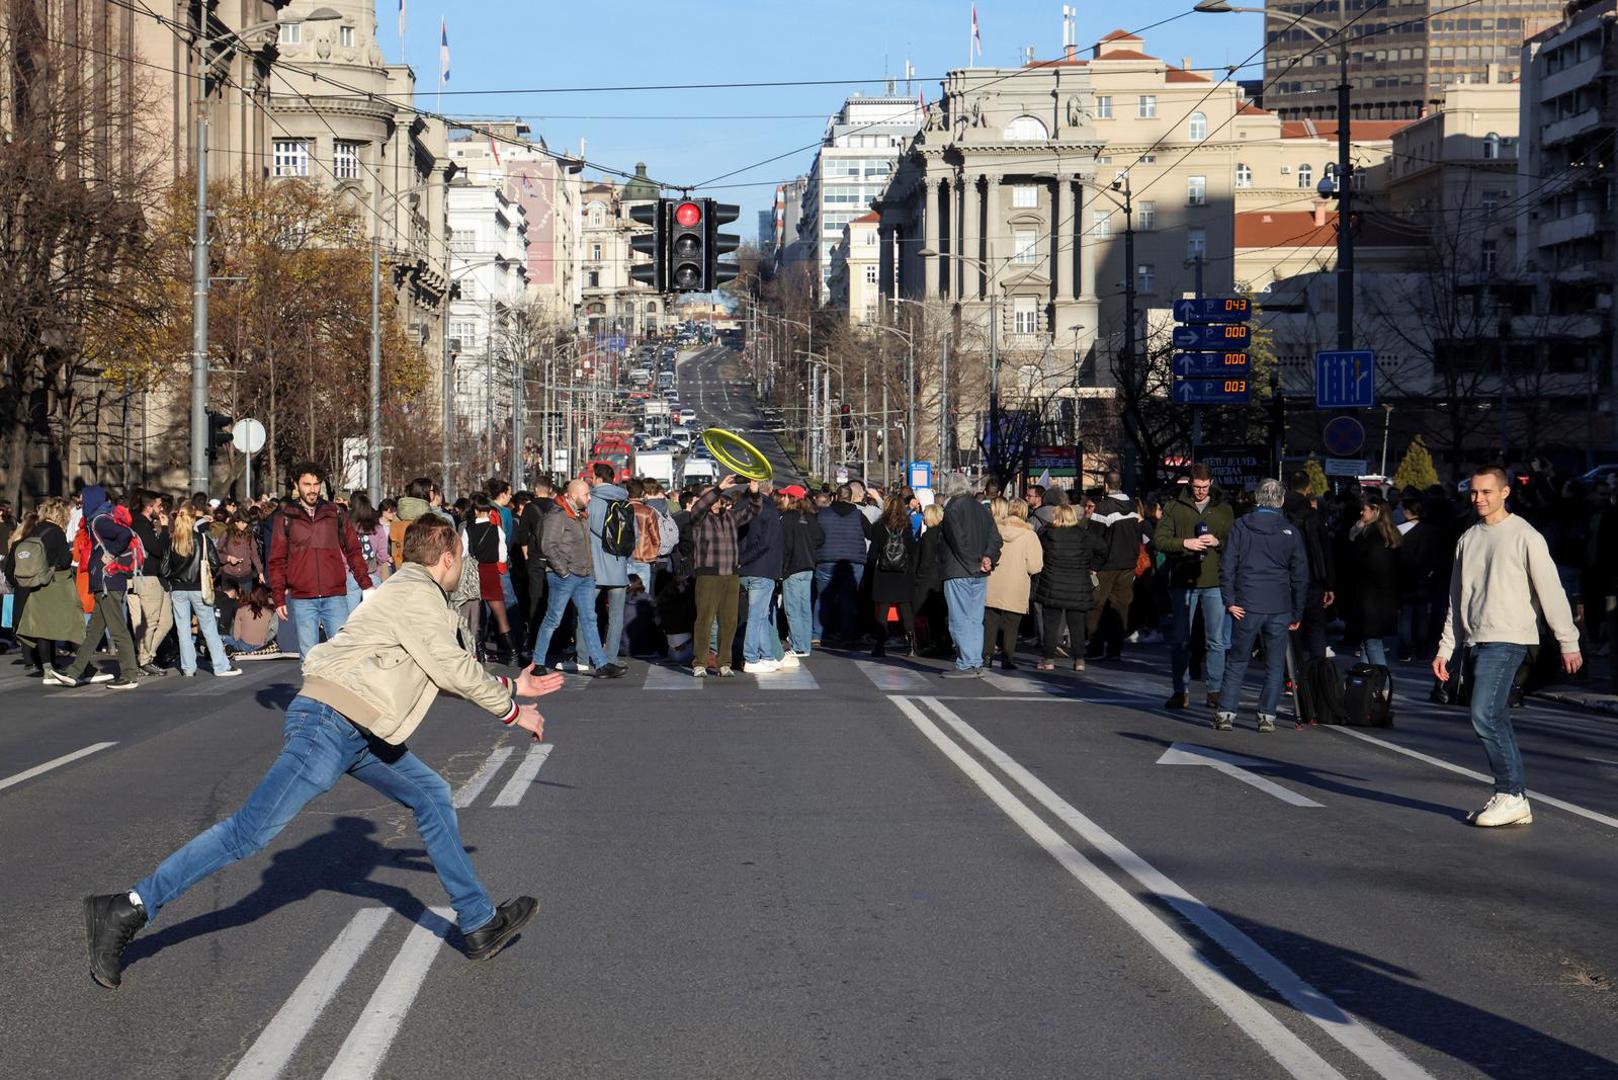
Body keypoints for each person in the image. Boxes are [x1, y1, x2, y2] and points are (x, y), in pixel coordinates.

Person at [83, 515, 565, 990]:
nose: (463, 569)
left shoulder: (411, 592)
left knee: (431, 795)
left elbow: (435, 666)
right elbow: (449, 664)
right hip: (330, 724)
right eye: (460, 559)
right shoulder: (418, 593)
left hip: (360, 728)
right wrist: (512, 711)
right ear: (445, 559)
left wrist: (508, 683)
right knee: (246, 834)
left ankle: (478, 922)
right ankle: (128, 906)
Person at [1434, 466, 1582, 828]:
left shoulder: (1525, 535)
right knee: (1494, 715)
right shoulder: (1468, 538)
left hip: (1510, 637)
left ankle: (1511, 793)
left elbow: (1551, 590)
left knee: (1483, 713)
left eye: (1486, 492)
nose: (1479, 499)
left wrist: (1568, 640)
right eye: (1473, 492)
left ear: (1505, 493)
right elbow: (1457, 597)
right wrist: (1446, 647)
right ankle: (1514, 797)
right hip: (1476, 638)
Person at [1215, 479, 1308, 733]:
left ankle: (1226, 712)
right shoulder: (1290, 531)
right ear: (1281, 500)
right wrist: (1297, 611)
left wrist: (1229, 600)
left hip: (1246, 602)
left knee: (1238, 660)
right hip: (1279, 604)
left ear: (1257, 498)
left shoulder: (1241, 526)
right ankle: (1267, 715)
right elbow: (1300, 574)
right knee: (1275, 663)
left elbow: (1227, 565)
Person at [268, 463, 372, 659]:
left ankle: (338, 690)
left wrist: (365, 585)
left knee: (340, 655)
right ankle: (310, 690)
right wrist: (279, 596)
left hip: (335, 595)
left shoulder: (335, 513)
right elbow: (277, 560)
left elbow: (353, 550)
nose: (312, 489)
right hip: (303, 597)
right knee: (308, 657)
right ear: (296, 485)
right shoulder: (286, 517)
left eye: (316, 484)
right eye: (307, 484)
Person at [1154, 464, 1234, 710]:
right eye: (1197, 487)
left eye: (1204, 487)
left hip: (1213, 581)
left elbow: (1235, 541)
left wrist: (1218, 541)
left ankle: (1215, 691)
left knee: (1216, 641)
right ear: (1190, 483)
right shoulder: (1175, 507)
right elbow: (1160, 540)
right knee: (1180, 639)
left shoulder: (1223, 509)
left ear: (1211, 483)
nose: (1200, 492)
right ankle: (1181, 690)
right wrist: (1185, 543)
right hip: (1182, 581)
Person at [527, 479, 625, 678]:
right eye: (586, 495)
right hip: (564, 576)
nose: (589, 498)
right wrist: (563, 571)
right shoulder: (557, 515)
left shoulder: (580, 514)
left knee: (590, 619)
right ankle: (537, 661)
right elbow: (548, 545)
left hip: (584, 575)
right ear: (572, 496)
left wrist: (588, 571)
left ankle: (601, 664)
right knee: (553, 618)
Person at [57, 485, 141, 689]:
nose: (80, 504)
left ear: (91, 500)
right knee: (93, 631)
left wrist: (110, 553)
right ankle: (75, 671)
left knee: (117, 629)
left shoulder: (100, 520)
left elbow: (125, 535)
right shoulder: (99, 518)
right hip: (105, 581)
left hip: (108, 581)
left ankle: (129, 674)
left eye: (83, 500)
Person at [687, 475, 759, 677]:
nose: (717, 500)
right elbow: (699, 507)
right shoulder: (699, 518)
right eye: (712, 497)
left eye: (718, 498)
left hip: (731, 574)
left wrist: (754, 492)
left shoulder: (729, 517)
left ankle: (724, 662)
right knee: (705, 619)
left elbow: (753, 511)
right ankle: (700, 662)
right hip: (708, 574)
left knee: (729, 621)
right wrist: (718, 488)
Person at [160, 503, 242, 679]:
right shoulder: (202, 540)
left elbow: (164, 569)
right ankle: (220, 666)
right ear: (193, 519)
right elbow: (214, 564)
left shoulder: (172, 540)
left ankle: (188, 667)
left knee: (183, 629)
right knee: (209, 627)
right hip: (199, 587)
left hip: (178, 589)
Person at [938, 472, 1002, 678]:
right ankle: (974, 661)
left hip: (960, 569)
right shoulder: (981, 508)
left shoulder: (952, 508)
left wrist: (976, 561)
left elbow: (957, 541)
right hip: (980, 571)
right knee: (975, 618)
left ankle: (966, 662)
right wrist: (988, 558)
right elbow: (996, 538)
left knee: (959, 618)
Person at [8, 498, 78, 678]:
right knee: (47, 626)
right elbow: (63, 561)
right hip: (46, 584)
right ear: (62, 514)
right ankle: (49, 667)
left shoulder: (33, 531)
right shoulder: (57, 533)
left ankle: (44, 664)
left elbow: (13, 564)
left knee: (35, 625)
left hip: (25, 584)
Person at [1035, 503, 1109, 672]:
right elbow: (1103, 549)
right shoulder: (1084, 535)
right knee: (1076, 624)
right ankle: (1079, 659)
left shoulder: (1047, 534)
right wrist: (1093, 566)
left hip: (1052, 582)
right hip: (1078, 584)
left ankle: (1048, 659)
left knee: (1051, 624)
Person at [983, 498, 1043, 670]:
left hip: (993, 580)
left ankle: (986, 655)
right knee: (1011, 624)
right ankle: (1008, 657)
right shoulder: (1029, 535)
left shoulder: (995, 529)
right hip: (1016, 584)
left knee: (990, 621)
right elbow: (1035, 565)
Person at [1282, 471, 1335, 661]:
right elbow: (1325, 550)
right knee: (1316, 627)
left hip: (1288, 578)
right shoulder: (1313, 515)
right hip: (1313, 577)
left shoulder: (1282, 514)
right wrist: (1329, 583)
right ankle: (1318, 676)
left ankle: (1293, 678)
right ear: (1308, 488)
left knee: (1292, 628)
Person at [736, 478, 785, 672]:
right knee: (757, 616)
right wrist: (744, 558)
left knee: (761, 615)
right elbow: (766, 543)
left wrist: (739, 559)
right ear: (770, 489)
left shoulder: (739, 505)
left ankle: (767, 655)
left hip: (743, 569)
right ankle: (751, 657)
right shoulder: (770, 510)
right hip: (762, 568)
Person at [1086, 487, 1140, 662]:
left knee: (1096, 605)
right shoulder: (1132, 506)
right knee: (1120, 607)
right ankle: (1115, 650)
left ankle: (1095, 648)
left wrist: (1093, 564)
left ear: (1106, 486)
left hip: (1105, 564)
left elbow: (1094, 538)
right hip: (1127, 564)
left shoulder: (1103, 507)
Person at [813, 484, 871, 646]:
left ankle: (817, 634)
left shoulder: (823, 514)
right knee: (848, 599)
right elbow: (871, 533)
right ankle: (847, 634)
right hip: (853, 561)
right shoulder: (858, 515)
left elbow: (815, 535)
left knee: (823, 598)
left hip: (826, 559)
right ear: (851, 498)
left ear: (836, 497)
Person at [1349, 494, 1401, 668]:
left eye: (1365, 509)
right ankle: (1366, 684)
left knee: (1372, 644)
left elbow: (1366, 565)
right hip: (1381, 599)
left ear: (1375, 511)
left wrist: (1354, 537)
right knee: (1367, 643)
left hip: (1371, 600)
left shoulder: (1372, 536)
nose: (1361, 512)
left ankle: (1382, 685)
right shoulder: (1389, 534)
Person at [124, 490, 173, 678]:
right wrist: (165, 528)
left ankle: (146, 656)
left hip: (152, 577)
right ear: (149, 506)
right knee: (150, 621)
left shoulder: (142, 523)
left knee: (166, 621)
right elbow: (157, 548)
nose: (161, 509)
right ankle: (145, 660)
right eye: (158, 506)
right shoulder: (140, 524)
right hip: (146, 577)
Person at [463, 495, 515, 665]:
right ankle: (512, 653)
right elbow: (502, 555)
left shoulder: (468, 529)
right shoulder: (496, 530)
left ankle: (478, 652)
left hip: (474, 572)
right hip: (491, 572)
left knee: (475, 616)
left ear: (476, 511)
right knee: (501, 615)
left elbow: (464, 554)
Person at [867, 493, 919, 658]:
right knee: (905, 607)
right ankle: (911, 645)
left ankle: (880, 645)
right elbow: (912, 551)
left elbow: (873, 553)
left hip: (884, 573)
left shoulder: (879, 526)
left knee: (882, 609)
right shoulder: (907, 526)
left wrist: (869, 573)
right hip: (903, 572)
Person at [776, 485, 821, 661]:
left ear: (792, 498)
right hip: (808, 566)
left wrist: (781, 568)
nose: (783, 499)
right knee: (804, 608)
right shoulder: (810, 516)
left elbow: (784, 545)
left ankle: (797, 646)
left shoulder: (787, 518)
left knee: (792, 609)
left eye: (785, 496)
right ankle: (805, 645)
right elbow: (820, 537)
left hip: (792, 568)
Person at [912, 503, 948, 656]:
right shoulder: (945, 533)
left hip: (928, 580)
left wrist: (918, 576)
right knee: (940, 614)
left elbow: (925, 561)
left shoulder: (928, 536)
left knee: (928, 613)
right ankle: (944, 641)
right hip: (942, 578)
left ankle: (932, 642)